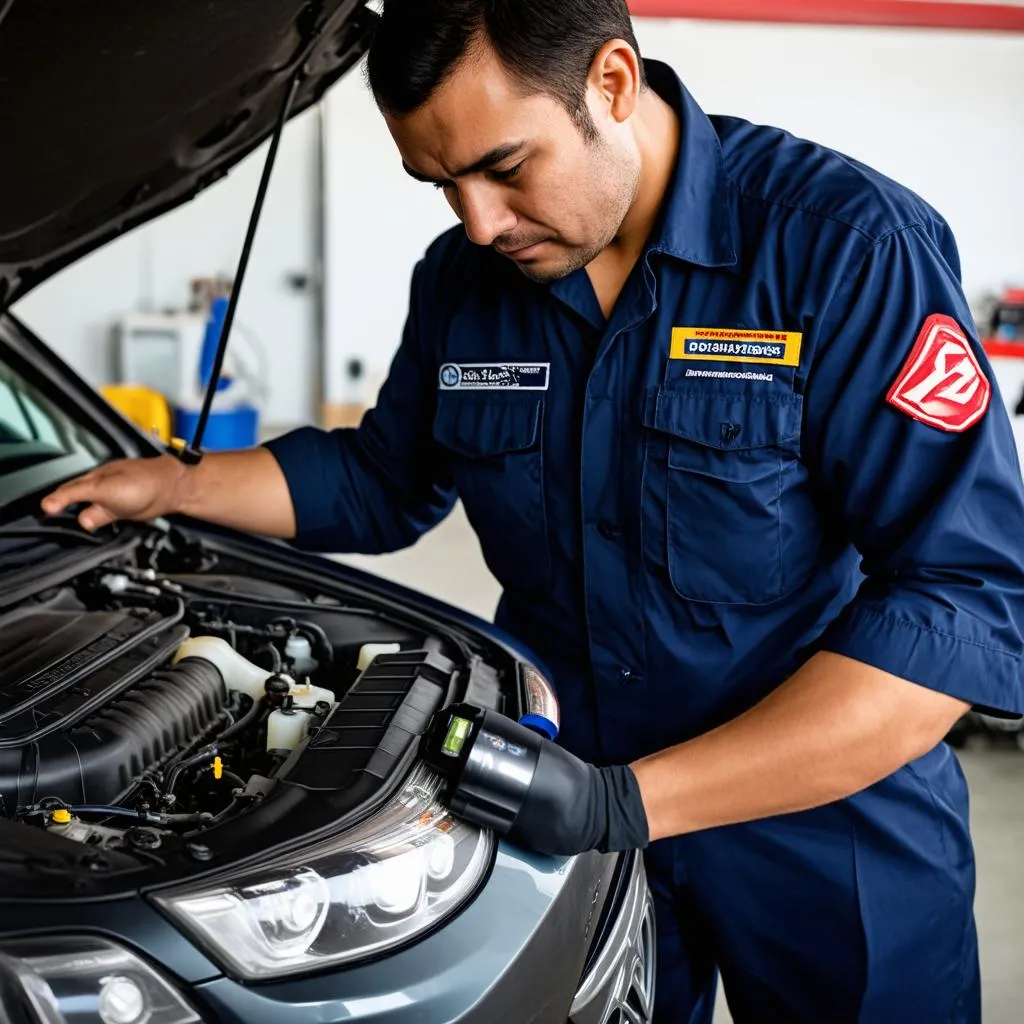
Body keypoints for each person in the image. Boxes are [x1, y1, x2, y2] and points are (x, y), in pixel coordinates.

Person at [42, 1, 1024, 1020]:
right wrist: (176, 483)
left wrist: (625, 802)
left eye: (506, 167)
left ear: (610, 83)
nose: (477, 222)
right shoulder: (464, 285)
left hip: (823, 818)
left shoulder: (841, 250)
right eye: (439, 184)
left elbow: (964, 601)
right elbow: (382, 481)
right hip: (566, 807)